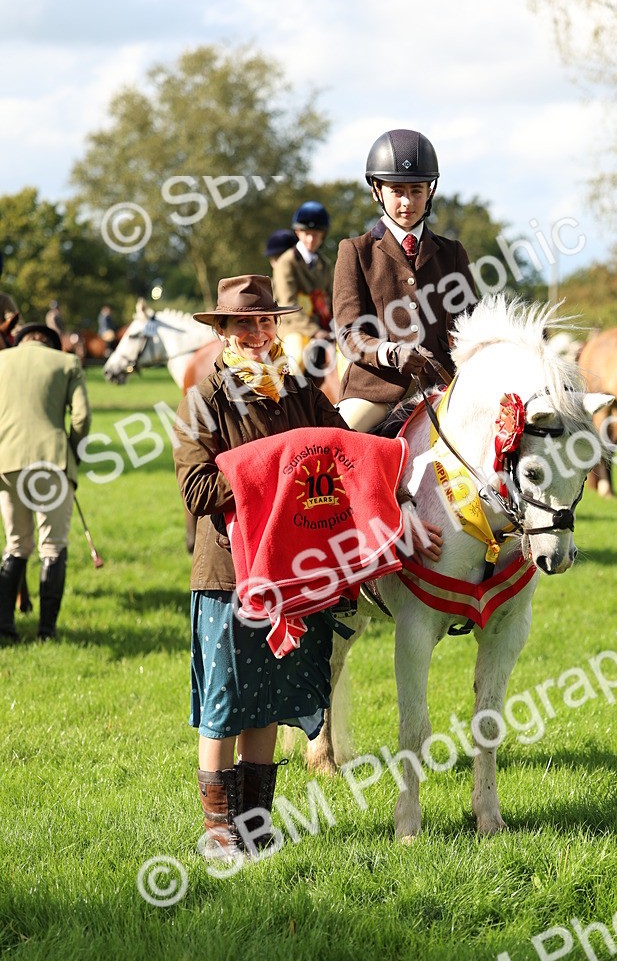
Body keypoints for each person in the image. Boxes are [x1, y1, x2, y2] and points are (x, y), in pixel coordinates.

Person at [173, 273, 443, 858]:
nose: (256, 331)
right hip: (229, 573)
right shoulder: (206, 399)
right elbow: (197, 488)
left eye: (265, 321)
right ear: (222, 331)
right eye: (243, 323)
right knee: (225, 702)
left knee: (268, 700)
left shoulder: (296, 388)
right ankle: (219, 833)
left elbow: (347, 450)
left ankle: (256, 827)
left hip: (295, 571)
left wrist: (399, 501)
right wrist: (276, 465)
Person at [333, 128, 477, 431]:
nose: (407, 203)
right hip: (376, 392)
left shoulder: (451, 254)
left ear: (431, 192)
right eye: (397, 192)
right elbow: (349, 334)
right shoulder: (355, 252)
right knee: (334, 447)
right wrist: (390, 352)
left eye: (416, 191)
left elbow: (471, 325)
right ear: (377, 191)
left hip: (443, 389)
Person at [0, 323, 91, 642]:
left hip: (6, 463)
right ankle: (46, 632)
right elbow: (81, 418)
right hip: (53, 462)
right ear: (51, 344)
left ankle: (5, 629)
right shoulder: (67, 363)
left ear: (23, 341)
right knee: (52, 546)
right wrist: (73, 453)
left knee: (16, 544)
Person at [270, 201, 334, 384]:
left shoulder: (325, 264)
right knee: (296, 358)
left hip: (323, 326)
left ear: (323, 235)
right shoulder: (286, 262)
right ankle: (288, 404)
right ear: (298, 233)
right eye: (307, 234)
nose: (311, 240)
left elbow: (330, 297)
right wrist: (315, 331)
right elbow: (287, 304)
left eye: (316, 235)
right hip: (293, 326)